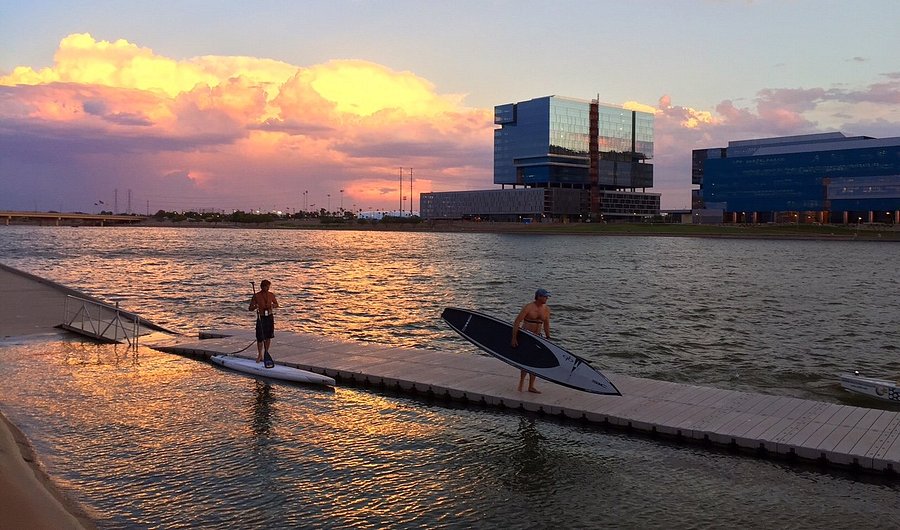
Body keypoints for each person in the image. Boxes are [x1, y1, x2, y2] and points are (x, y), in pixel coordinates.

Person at [511, 288, 551, 393]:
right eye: (545, 296)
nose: (547, 298)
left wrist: (548, 337)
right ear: (538, 296)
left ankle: (531, 386)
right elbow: (517, 321)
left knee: (535, 362)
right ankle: (521, 383)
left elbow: (546, 323)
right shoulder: (528, 307)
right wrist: (514, 338)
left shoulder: (546, 309)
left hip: (538, 337)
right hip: (526, 336)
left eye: (547, 296)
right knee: (526, 360)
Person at [249, 279, 279, 363]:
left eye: (268, 286)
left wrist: (273, 305)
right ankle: (260, 355)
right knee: (260, 337)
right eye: (266, 286)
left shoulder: (271, 295)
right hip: (261, 317)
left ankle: (266, 352)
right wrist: (255, 306)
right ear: (262, 287)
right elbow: (250, 308)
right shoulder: (256, 296)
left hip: (269, 317)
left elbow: (277, 304)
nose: (268, 288)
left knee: (268, 336)